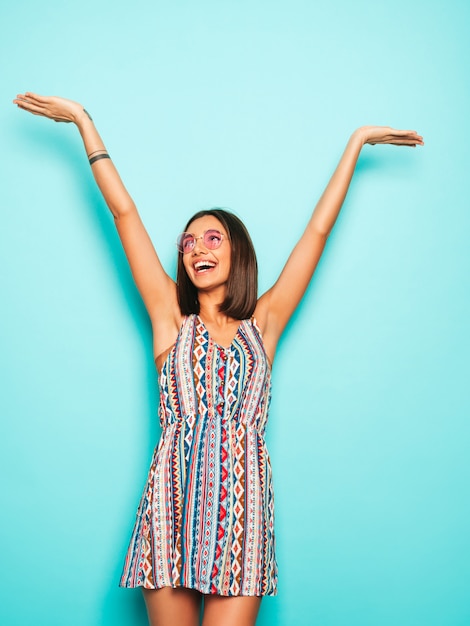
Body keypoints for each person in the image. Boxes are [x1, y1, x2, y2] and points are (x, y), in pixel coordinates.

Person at [13, 92, 423, 626]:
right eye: (189, 242)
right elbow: (123, 212)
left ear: (237, 252)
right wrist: (84, 124)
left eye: (214, 238)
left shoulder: (265, 324)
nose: (198, 248)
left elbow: (316, 234)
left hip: (242, 504)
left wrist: (356, 144)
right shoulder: (169, 318)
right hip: (171, 499)